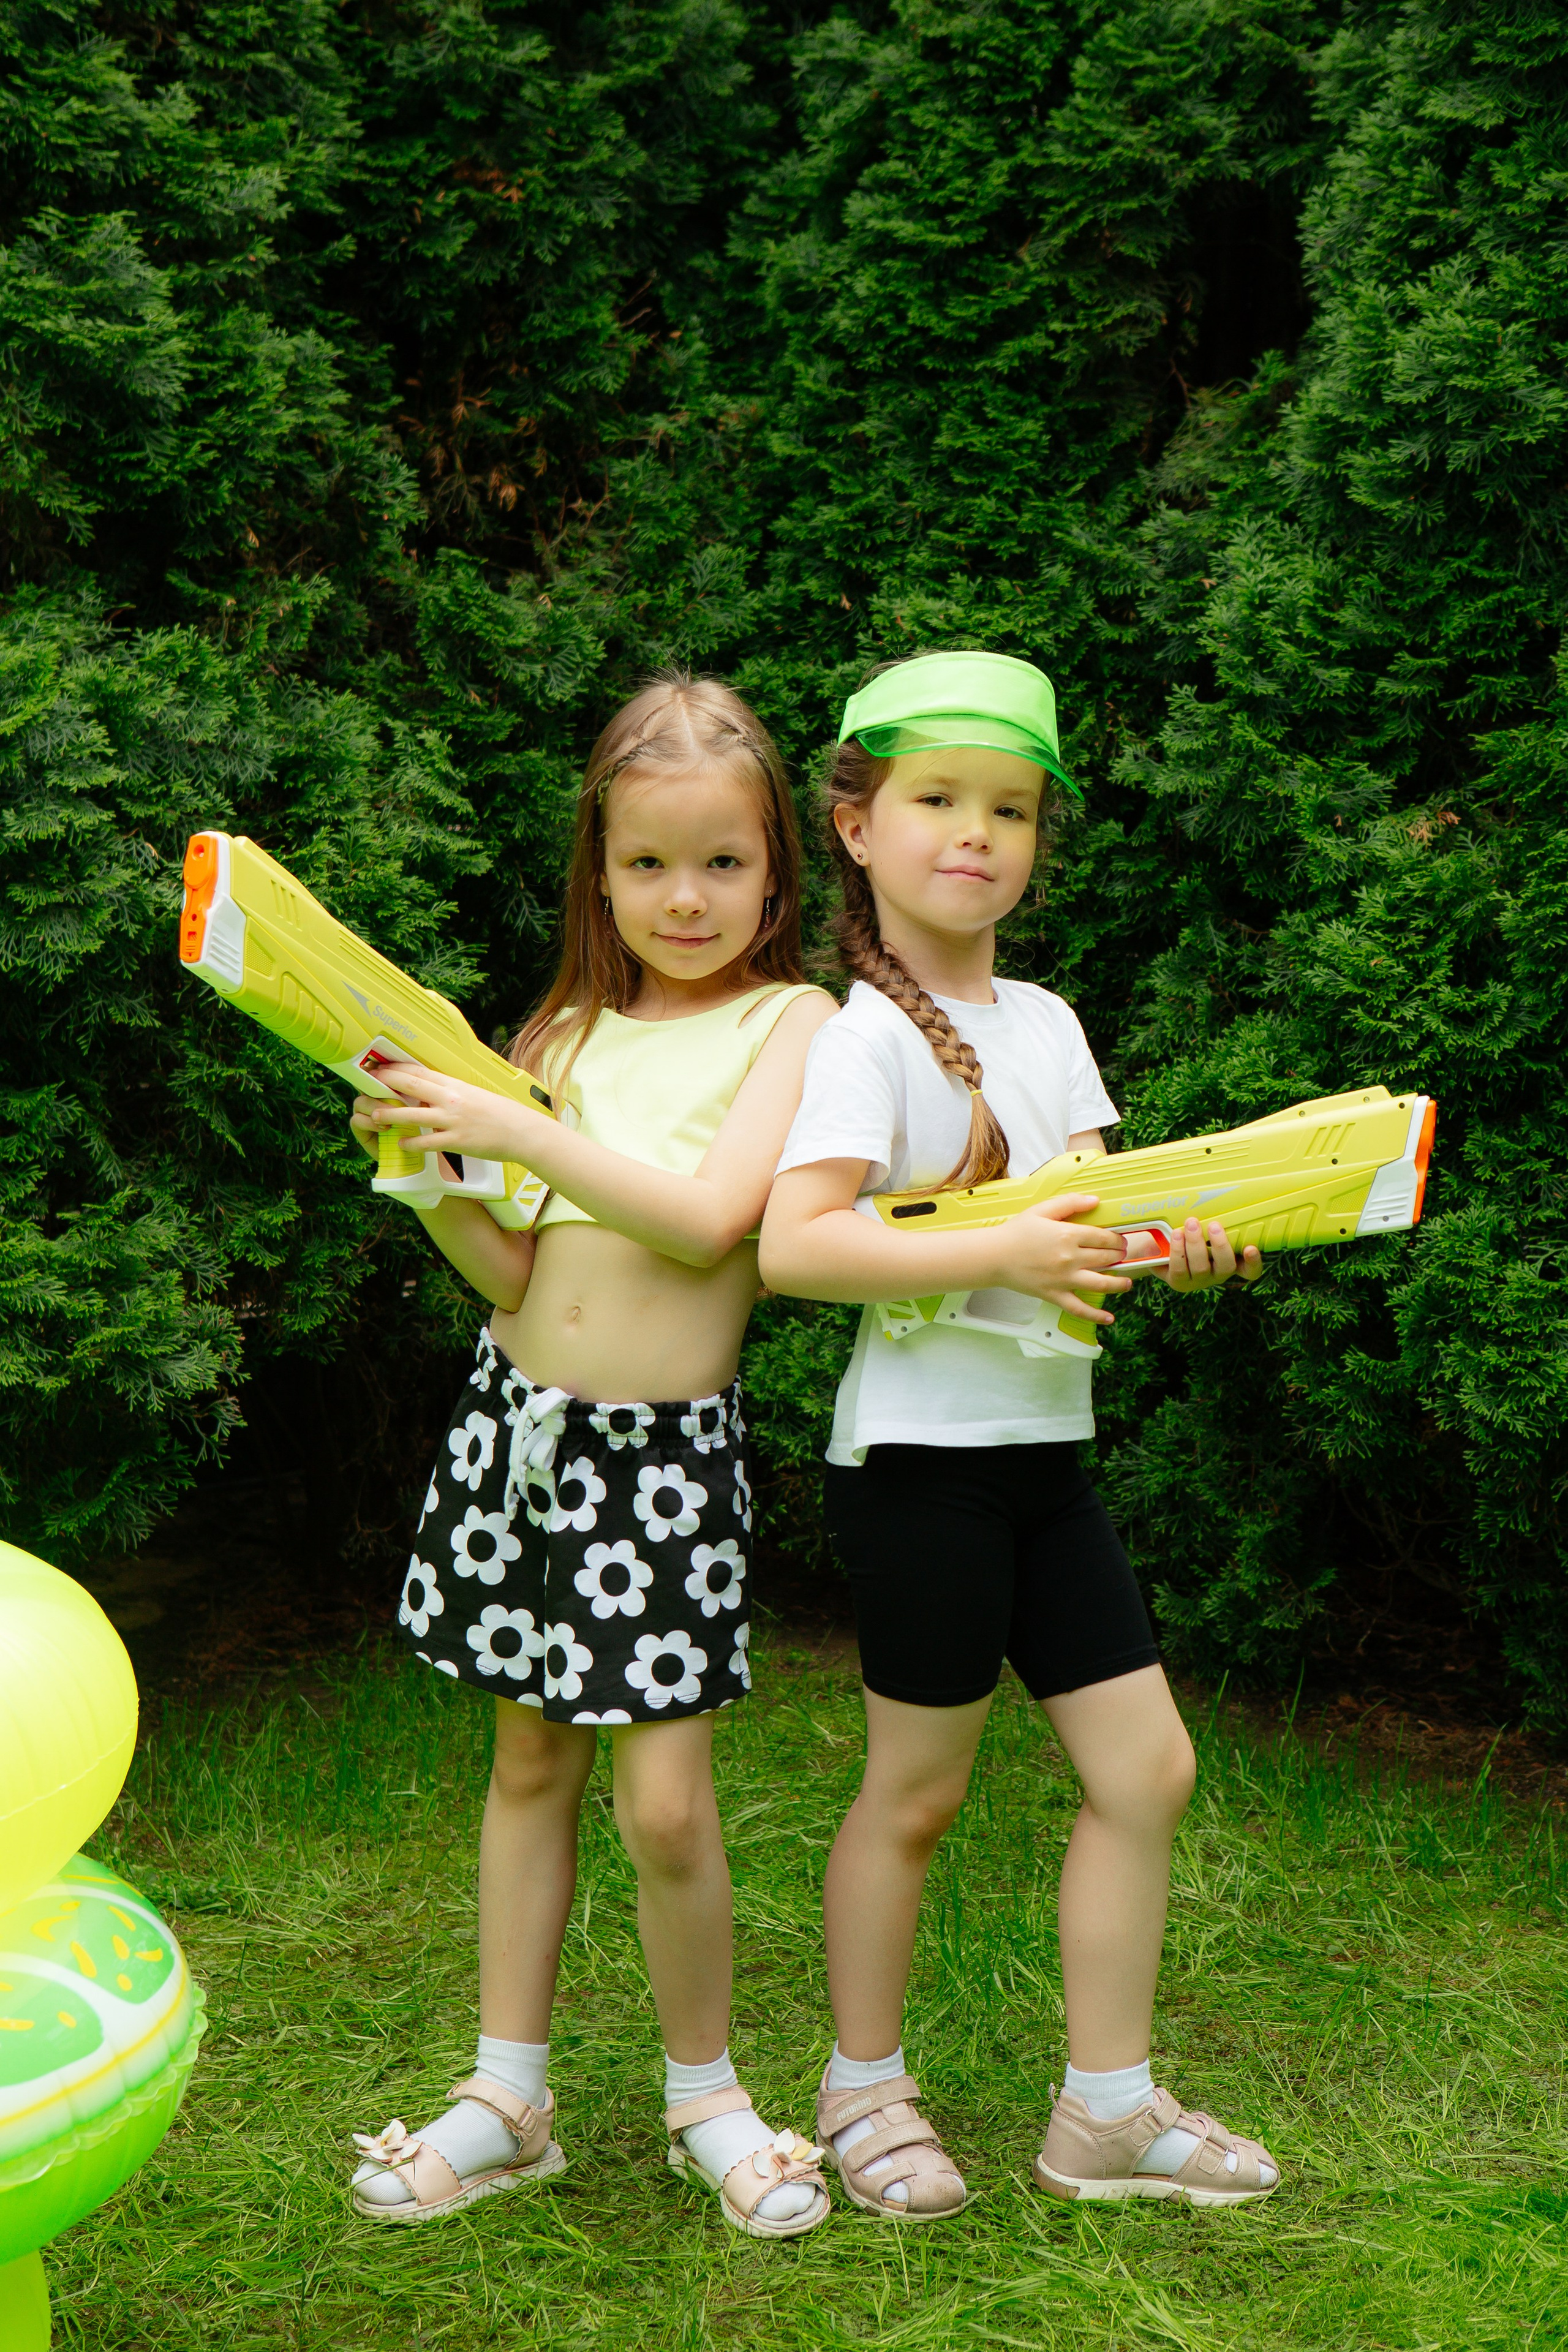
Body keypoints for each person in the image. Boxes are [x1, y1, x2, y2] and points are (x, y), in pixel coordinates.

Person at [758, 650, 1281, 2214]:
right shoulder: (852, 1035)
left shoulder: (1046, 1023)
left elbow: (1094, 1219)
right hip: (918, 1469)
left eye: (1008, 809)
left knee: (1146, 1772)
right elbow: (797, 1248)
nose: (973, 834)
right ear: (856, 826)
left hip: (1049, 1460)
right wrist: (995, 1249)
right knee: (915, 1792)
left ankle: (1103, 2114)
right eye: (934, 800)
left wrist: (1186, 1243)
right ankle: (863, 2096)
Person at [346, 674, 837, 2236]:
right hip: (515, 1432)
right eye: (645, 866)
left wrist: (522, 1124)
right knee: (528, 1759)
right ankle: (509, 2093)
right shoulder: (563, 1025)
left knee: (670, 1808)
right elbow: (516, 1273)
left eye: (721, 864)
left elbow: (706, 1225)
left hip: (663, 1470)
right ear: (598, 870)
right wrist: (429, 1174)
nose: (682, 900)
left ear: (775, 872)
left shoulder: (796, 1025)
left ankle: (707, 2095)